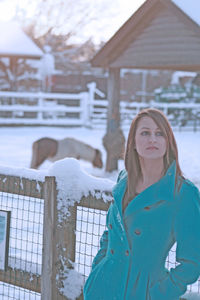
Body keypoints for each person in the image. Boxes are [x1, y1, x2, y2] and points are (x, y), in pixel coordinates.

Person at [83, 108, 200, 300]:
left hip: (143, 292)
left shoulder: (183, 193)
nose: (152, 139)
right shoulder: (124, 180)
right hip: (103, 289)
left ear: (168, 142)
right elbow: (111, 234)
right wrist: (99, 269)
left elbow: (193, 262)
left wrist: (160, 292)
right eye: (145, 133)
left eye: (159, 133)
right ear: (134, 143)